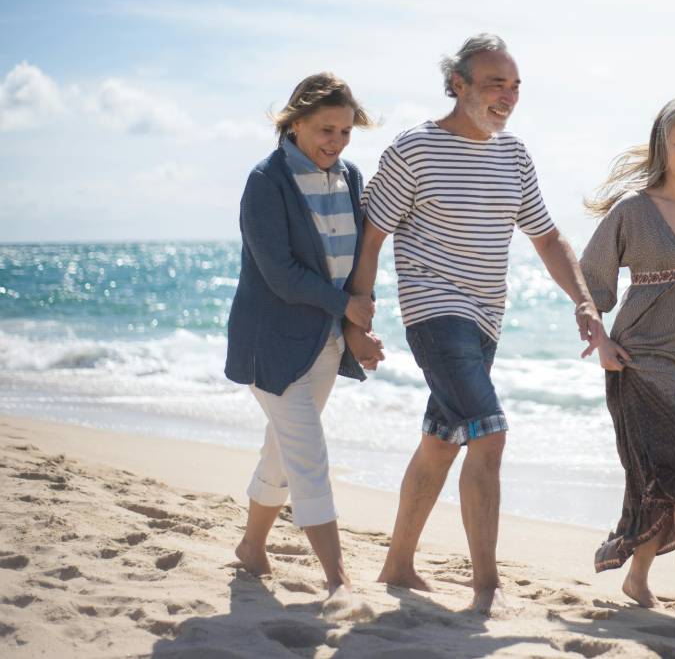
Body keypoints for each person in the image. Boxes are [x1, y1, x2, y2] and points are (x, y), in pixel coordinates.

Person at [348, 33, 603, 615]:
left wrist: (584, 303)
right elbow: (371, 237)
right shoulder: (413, 149)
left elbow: (546, 235)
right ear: (457, 85)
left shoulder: (513, 154)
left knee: (441, 442)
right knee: (490, 431)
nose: (507, 97)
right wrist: (357, 320)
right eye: (495, 83)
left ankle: (397, 564)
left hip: (487, 319)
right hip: (434, 314)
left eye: (514, 86)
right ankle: (487, 586)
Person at [224, 72, 386, 603]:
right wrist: (349, 308)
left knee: (284, 449)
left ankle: (252, 547)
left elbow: (352, 266)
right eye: (325, 130)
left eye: (344, 132)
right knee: (308, 453)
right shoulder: (265, 181)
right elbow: (281, 273)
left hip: (325, 345)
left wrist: (354, 330)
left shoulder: (350, 177)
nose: (334, 142)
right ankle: (338, 580)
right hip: (270, 345)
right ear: (294, 124)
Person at [579, 97, 675, 624]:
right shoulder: (633, 211)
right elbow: (588, 280)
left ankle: (638, 576)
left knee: (664, 476)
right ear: (662, 147)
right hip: (640, 363)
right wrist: (599, 339)